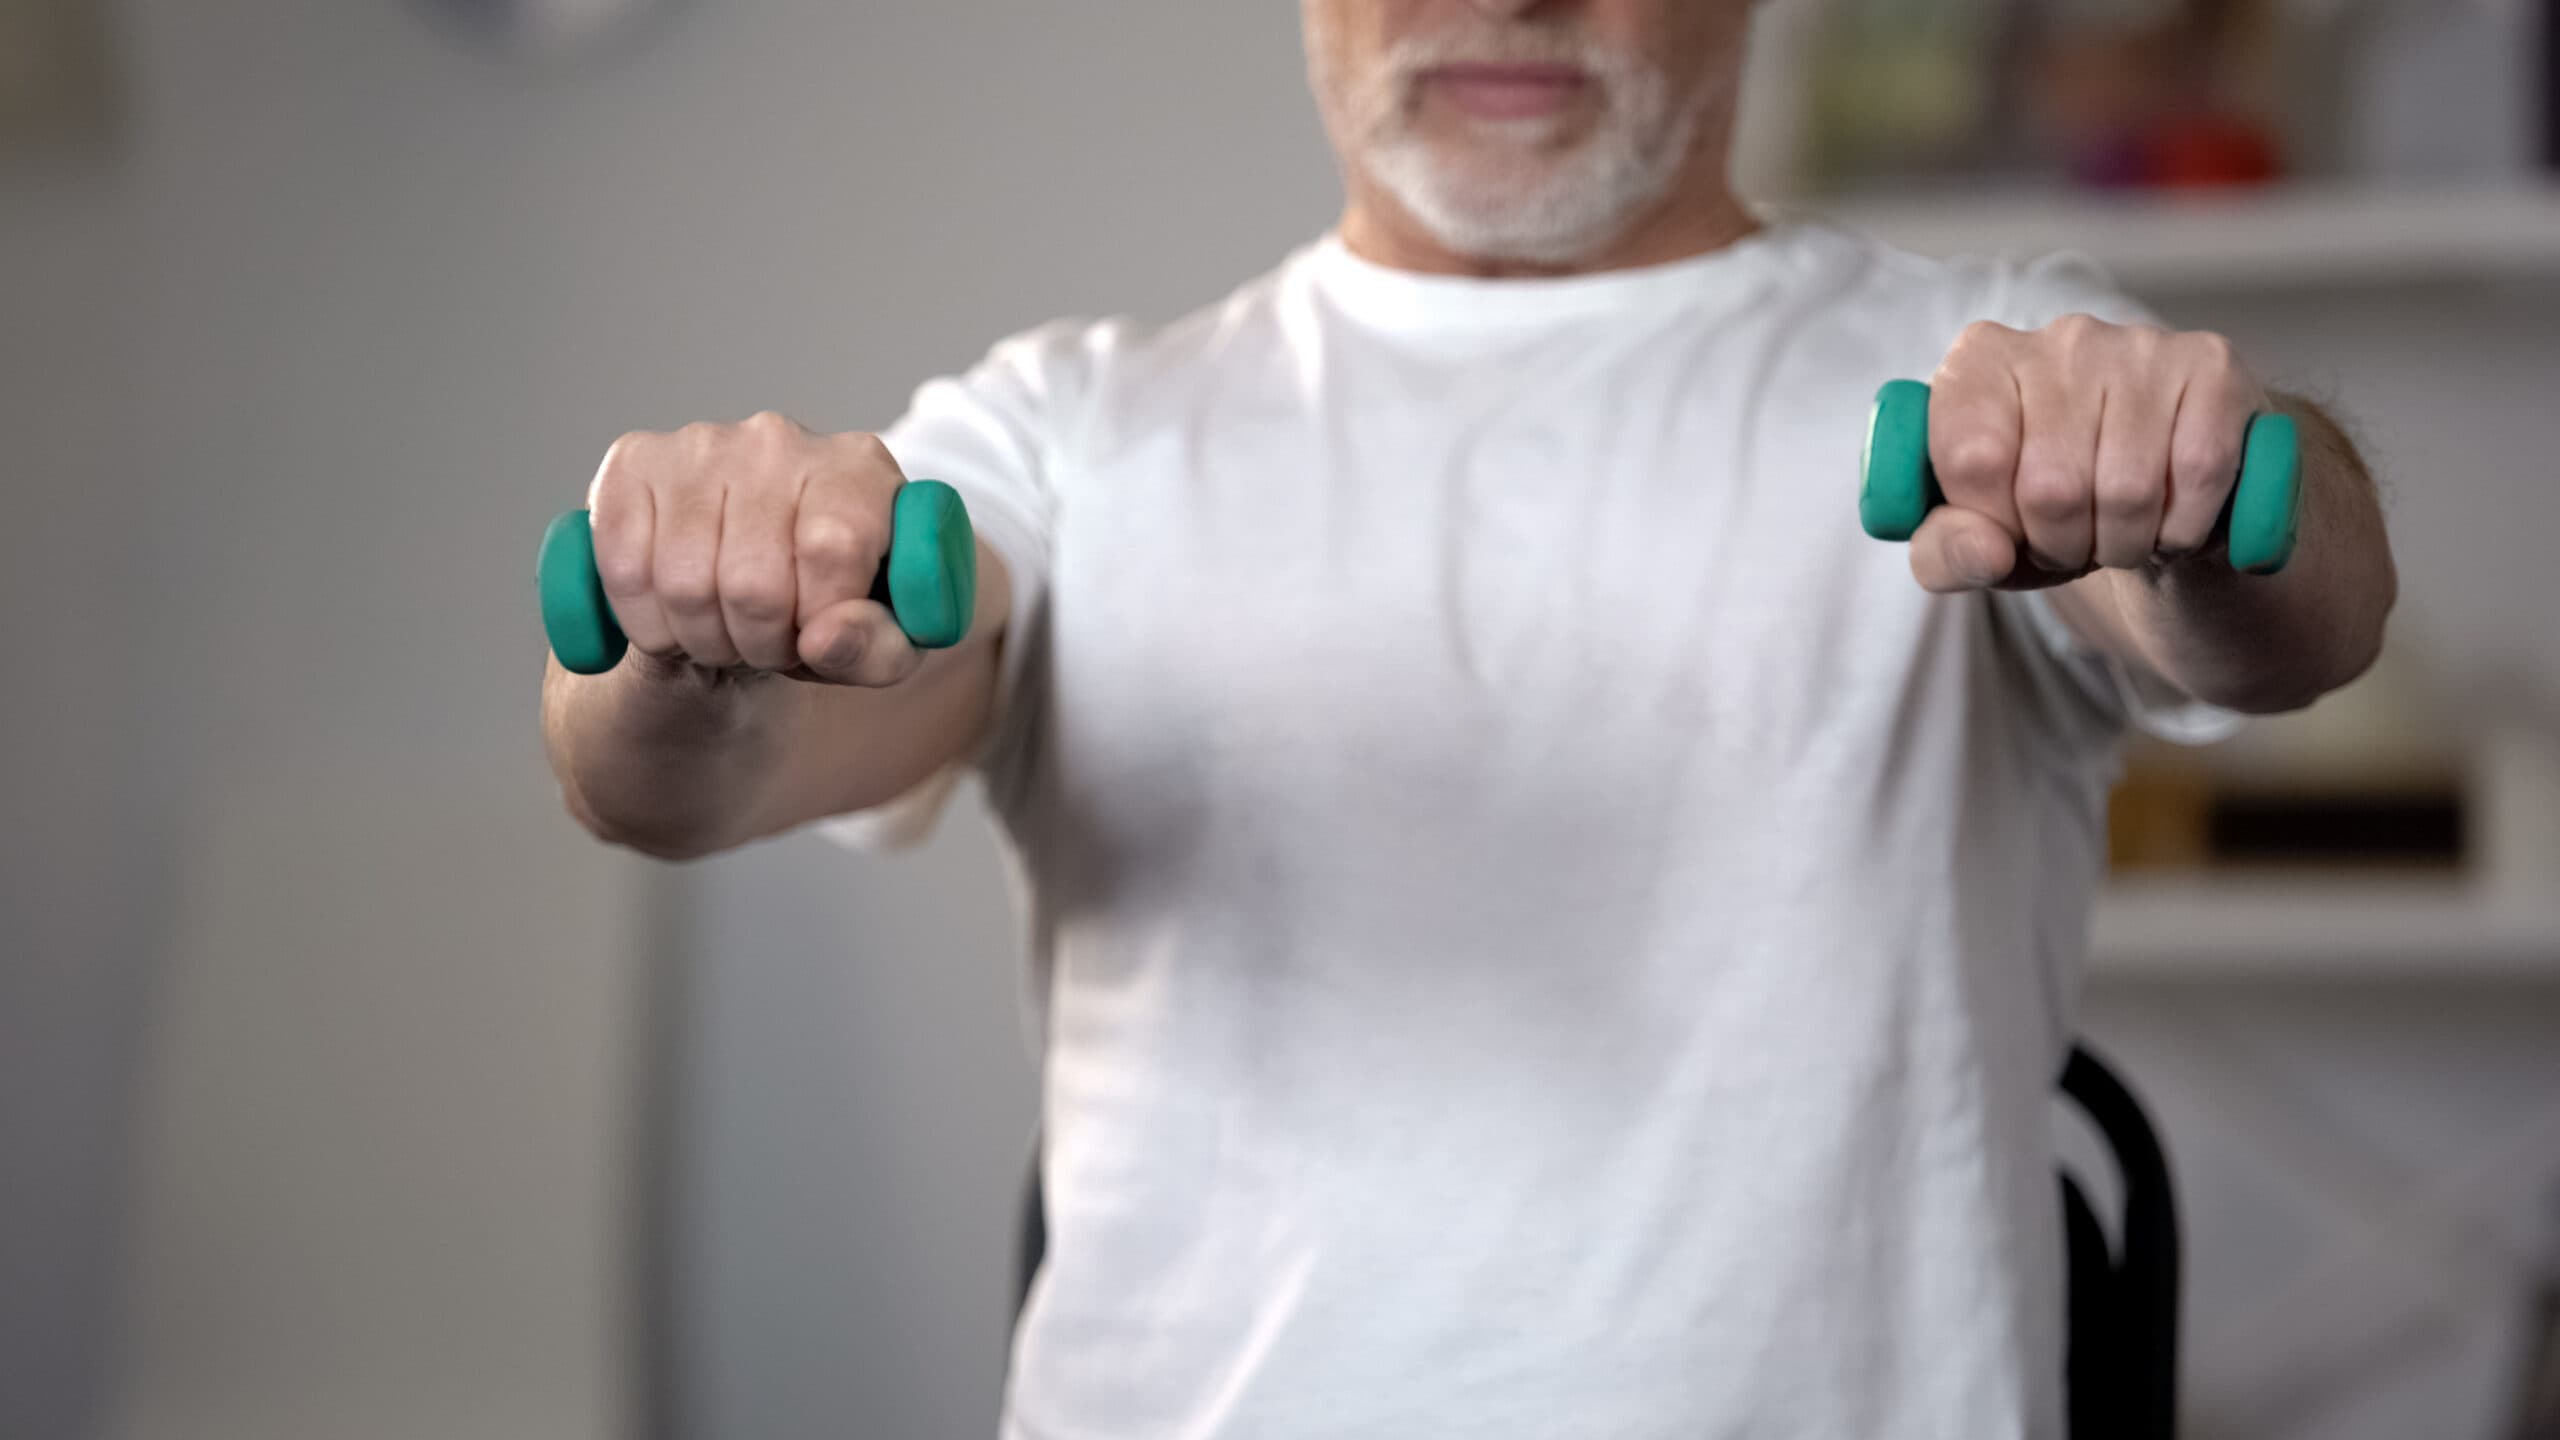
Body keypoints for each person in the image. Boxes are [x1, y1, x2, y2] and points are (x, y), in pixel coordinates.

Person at [540, 1, 2397, 1434]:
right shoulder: (1066, 434)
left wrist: (2213, 477)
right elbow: (691, 777)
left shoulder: (1976, 367)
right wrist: (687, 636)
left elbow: (2292, 613)